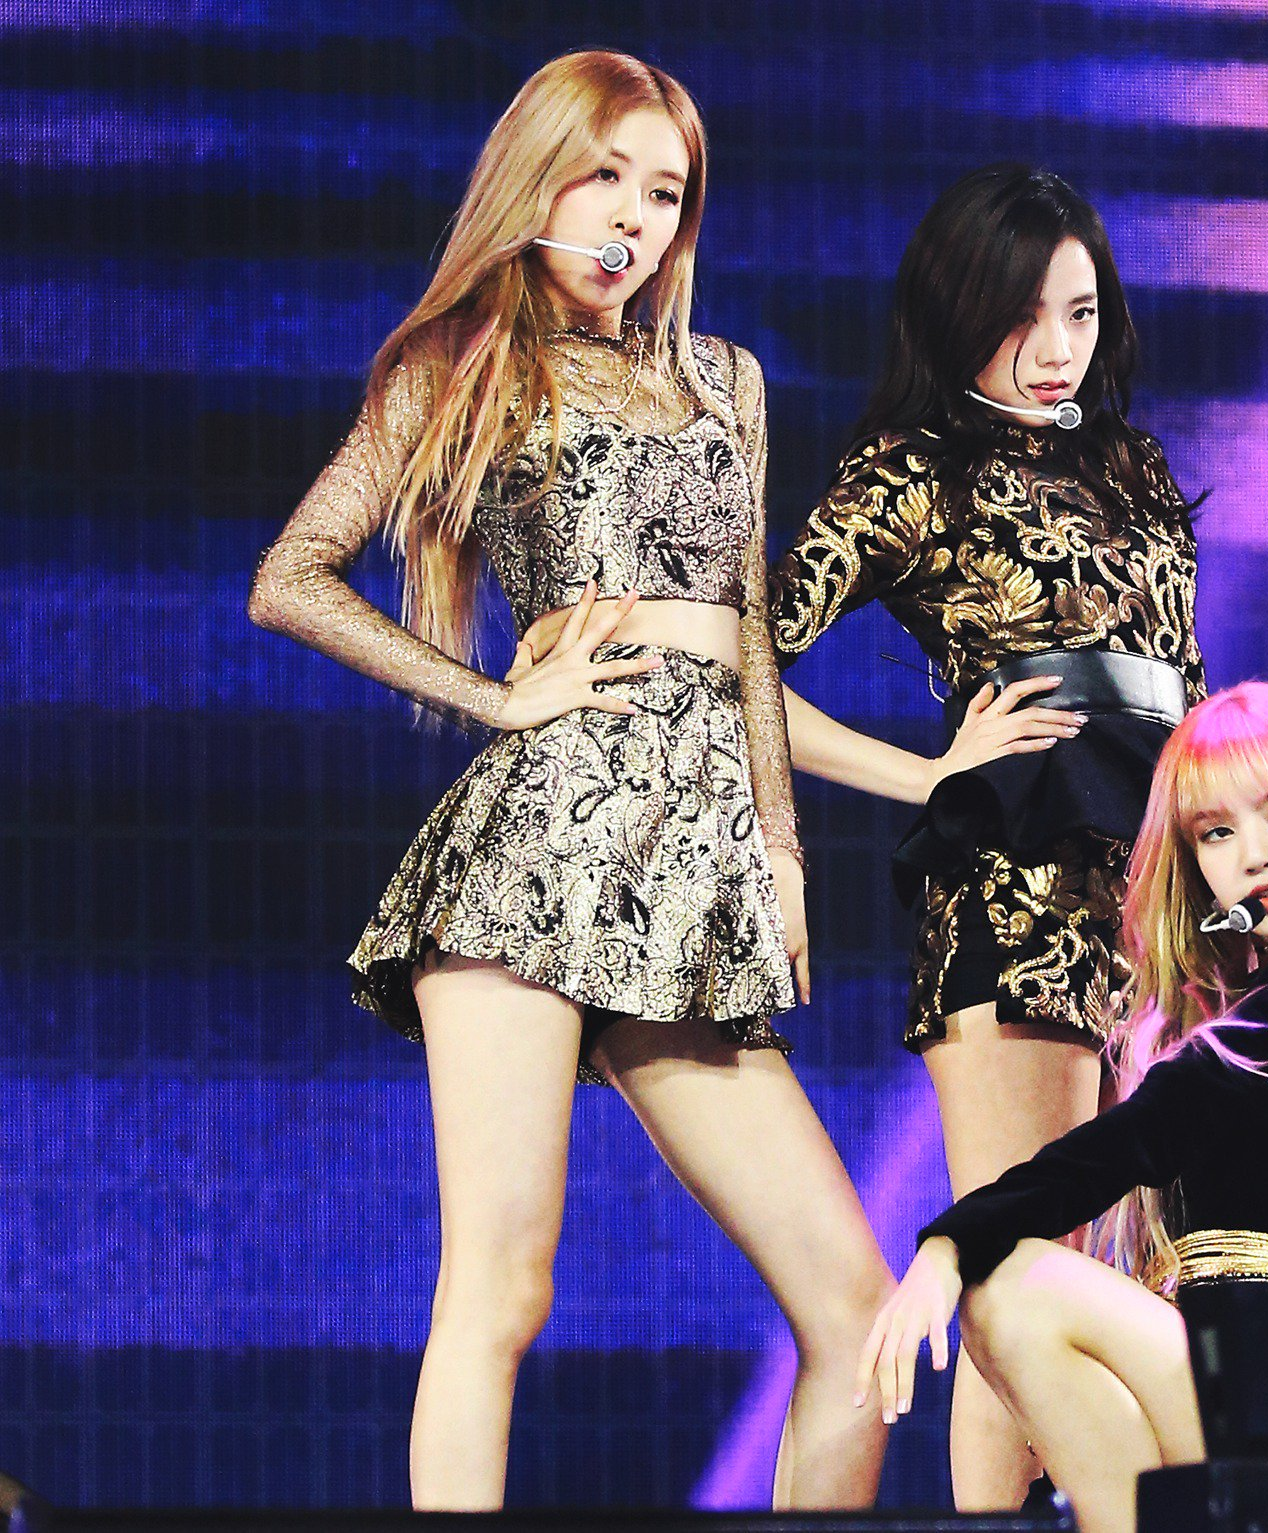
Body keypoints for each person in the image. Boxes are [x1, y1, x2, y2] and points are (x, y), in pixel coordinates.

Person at [246, 50, 889, 1511]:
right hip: (533, 854)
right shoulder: (464, 362)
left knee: (853, 1307)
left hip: (694, 867)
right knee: (502, 1287)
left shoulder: (727, 380)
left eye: (664, 192)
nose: (633, 218)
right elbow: (289, 576)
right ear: (537, 179)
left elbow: (747, 638)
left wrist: (781, 852)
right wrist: (493, 695)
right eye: (605, 176)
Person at [756, 164, 1206, 1506]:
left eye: (1080, 311)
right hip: (1016, 901)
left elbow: (1187, 686)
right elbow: (736, 653)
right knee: (1019, 1270)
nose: (1056, 347)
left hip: (1158, 897)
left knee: (1123, 1275)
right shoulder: (912, 472)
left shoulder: (1131, 463)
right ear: (958, 313)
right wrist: (922, 774)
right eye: (1022, 316)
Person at [856, 682, 1268, 1533]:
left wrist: (951, 1239)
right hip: (1221, 1354)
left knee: (1014, 1284)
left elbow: (1167, 1116)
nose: (1255, 854)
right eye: (1217, 832)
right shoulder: (1240, 996)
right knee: (1011, 1295)